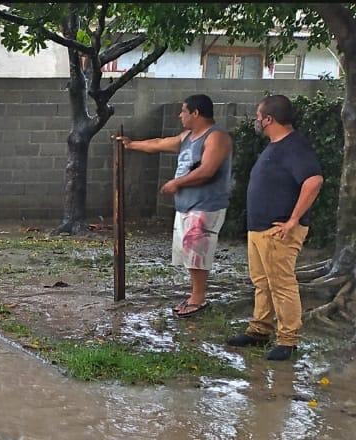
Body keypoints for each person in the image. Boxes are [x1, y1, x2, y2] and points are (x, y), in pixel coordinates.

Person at [117, 94, 233, 318]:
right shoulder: (187, 136)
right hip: (187, 205)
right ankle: (194, 294)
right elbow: (159, 143)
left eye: (183, 111)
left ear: (195, 113)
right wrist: (131, 144)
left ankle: (198, 298)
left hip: (205, 204)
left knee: (198, 253)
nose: (180, 115)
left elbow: (208, 170)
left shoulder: (216, 137)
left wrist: (176, 183)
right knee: (189, 253)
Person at [227, 95, 324, 361]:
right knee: (262, 282)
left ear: (269, 119)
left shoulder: (294, 147)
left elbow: (313, 181)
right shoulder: (276, 146)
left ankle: (288, 340)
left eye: (259, 116)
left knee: (281, 285)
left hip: (278, 230)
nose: (257, 121)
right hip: (259, 229)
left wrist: (293, 220)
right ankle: (260, 329)